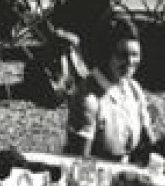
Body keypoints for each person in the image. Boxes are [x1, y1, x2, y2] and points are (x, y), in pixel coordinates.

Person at [64, 18, 159, 163]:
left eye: (135, 54)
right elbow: (80, 160)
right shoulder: (89, 97)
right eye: (122, 55)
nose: (130, 62)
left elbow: (149, 142)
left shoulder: (133, 88)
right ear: (107, 54)